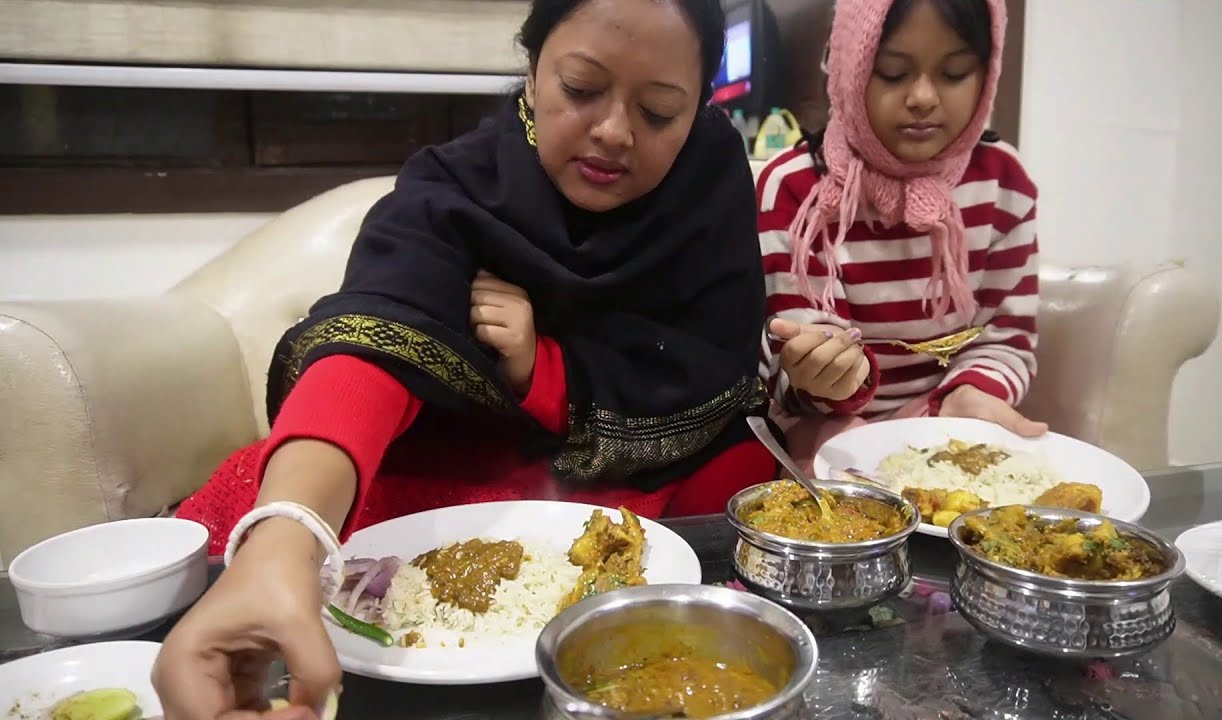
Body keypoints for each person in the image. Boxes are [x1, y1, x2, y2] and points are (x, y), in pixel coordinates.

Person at [153, 1, 774, 717]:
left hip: (654, 464)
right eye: (580, 89)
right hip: (462, 463)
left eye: (660, 111)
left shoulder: (710, 174)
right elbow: (380, 330)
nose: (612, 132)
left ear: (698, 107)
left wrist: (546, 373)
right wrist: (285, 538)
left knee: (750, 494)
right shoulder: (460, 185)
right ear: (534, 68)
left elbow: (709, 366)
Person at [757, 0, 1046, 468]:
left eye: (954, 73)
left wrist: (970, 394)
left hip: (947, 421)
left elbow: (1004, 340)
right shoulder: (797, 190)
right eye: (892, 73)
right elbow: (790, 381)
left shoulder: (1003, 184)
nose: (923, 97)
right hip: (826, 431)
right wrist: (827, 375)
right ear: (849, 68)